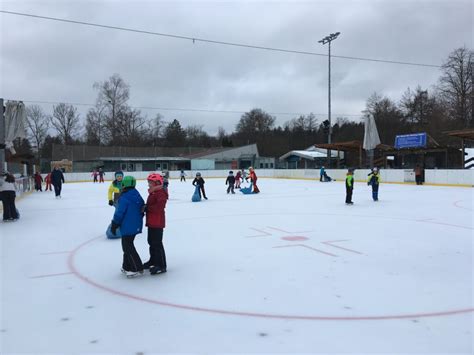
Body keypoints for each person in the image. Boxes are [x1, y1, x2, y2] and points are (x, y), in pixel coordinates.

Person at [110, 176, 145, 277]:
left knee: (127, 247)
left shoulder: (124, 197)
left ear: (124, 185)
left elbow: (119, 213)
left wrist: (114, 224)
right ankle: (126, 266)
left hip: (127, 226)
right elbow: (142, 207)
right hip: (135, 225)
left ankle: (136, 268)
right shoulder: (136, 194)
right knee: (127, 246)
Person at [143, 173, 169, 275]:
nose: (149, 184)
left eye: (150, 182)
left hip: (157, 222)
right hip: (151, 221)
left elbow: (159, 207)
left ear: (157, 183)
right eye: (148, 182)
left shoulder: (161, 193)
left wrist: (147, 208)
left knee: (157, 243)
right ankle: (153, 260)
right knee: (151, 242)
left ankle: (162, 265)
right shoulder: (153, 192)